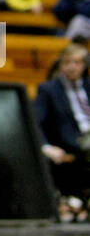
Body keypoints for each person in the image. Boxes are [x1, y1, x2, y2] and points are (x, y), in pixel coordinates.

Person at [35, 44, 90, 216]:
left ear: (84, 65)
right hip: (71, 141)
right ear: (61, 65)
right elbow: (36, 122)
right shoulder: (49, 89)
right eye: (67, 62)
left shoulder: (88, 87)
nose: (72, 67)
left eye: (76, 62)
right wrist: (46, 147)